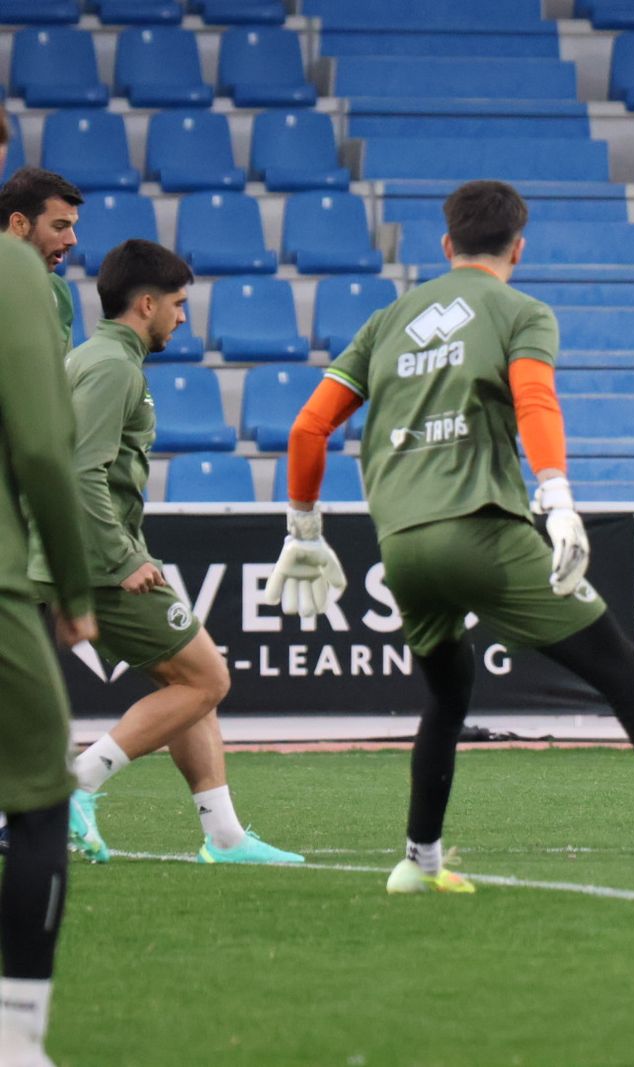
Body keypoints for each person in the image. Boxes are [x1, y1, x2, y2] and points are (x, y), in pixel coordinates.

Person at [271, 179, 634, 892]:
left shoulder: (390, 319)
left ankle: (419, 859)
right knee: (621, 672)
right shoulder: (519, 309)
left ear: (446, 245)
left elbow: (308, 427)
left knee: (448, 691)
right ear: (518, 247)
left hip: (401, 546)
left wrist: (303, 527)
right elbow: (533, 398)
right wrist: (557, 497)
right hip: (482, 532)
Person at [26, 239, 302, 866]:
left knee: (187, 683)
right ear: (145, 304)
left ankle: (224, 836)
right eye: (178, 304)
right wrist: (123, 559)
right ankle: (78, 783)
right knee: (208, 678)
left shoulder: (95, 358)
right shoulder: (112, 367)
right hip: (98, 559)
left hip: (94, 551)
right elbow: (80, 473)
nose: (183, 317)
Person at [0, 111, 100, 1067]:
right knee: (35, 804)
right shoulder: (14, 275)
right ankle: (16, 1040)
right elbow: (42, 445)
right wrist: (72, 585)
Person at [0, 167, 82, 352]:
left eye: (72, 227)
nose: (72, 240)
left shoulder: (58, 290)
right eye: (60, 226)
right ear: (19, 224)